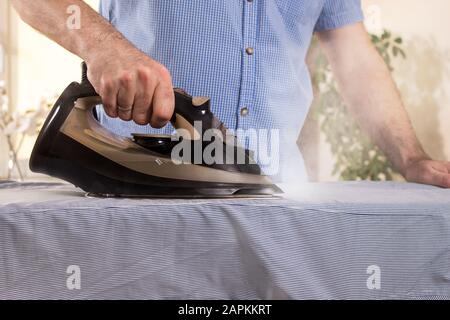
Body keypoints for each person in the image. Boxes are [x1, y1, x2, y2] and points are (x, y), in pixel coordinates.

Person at [12, 0, 450, 187]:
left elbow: (354, 55)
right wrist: (104, 47)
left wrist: (411, 158)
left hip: (279, 200)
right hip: (140, 201)